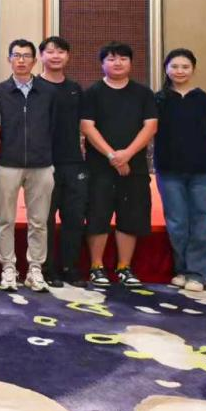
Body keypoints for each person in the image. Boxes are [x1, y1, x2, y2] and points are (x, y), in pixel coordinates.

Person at [80, 42, 159, 287]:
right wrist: (112, 156)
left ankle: (124, 267)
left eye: (123, 58)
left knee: (131, 215)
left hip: (134, 166)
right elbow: (87, 127)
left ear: (131, 63)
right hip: (99, 167)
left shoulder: (143, 93)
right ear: (102, 63)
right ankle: (97, 266)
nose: (117, 63)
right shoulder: (92, 92)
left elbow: (150, 126)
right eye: (112, 59)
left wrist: (127, 155)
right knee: (98, 215)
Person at [0, 39, 56, 292]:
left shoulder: (48, 92)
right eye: (16, 55)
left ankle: (35, 269)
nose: (21, 60)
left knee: (39, 221)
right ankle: (8, 267)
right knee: (5, 219)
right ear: (9, 59)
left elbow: (55, 129)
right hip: (7, 164)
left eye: (26, 56)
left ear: (34, 60)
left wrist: (49, 158)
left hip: (41, 165)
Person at [154, 48, 206, 292]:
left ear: (193, 69)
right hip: (169, 169)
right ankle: (181, 270)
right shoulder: (158, 100)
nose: (179, 71)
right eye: (174, 66)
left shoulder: (204, 100)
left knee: (200, 220)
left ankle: (198, 274)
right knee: (177, 221)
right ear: (166, 69)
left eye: (185, 66)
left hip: (202, 169)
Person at [38, 36, 88, 286]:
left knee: (74, 217)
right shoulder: (34, 87)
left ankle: (70, 267)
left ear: (68, 56)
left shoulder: (75, 88)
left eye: (61, 52)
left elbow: (85, 125)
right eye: (50, 51)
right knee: (45, 218)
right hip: (43, 163)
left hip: (73, 162)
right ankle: (47, 269)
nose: (55, 56)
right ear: (41, 56)